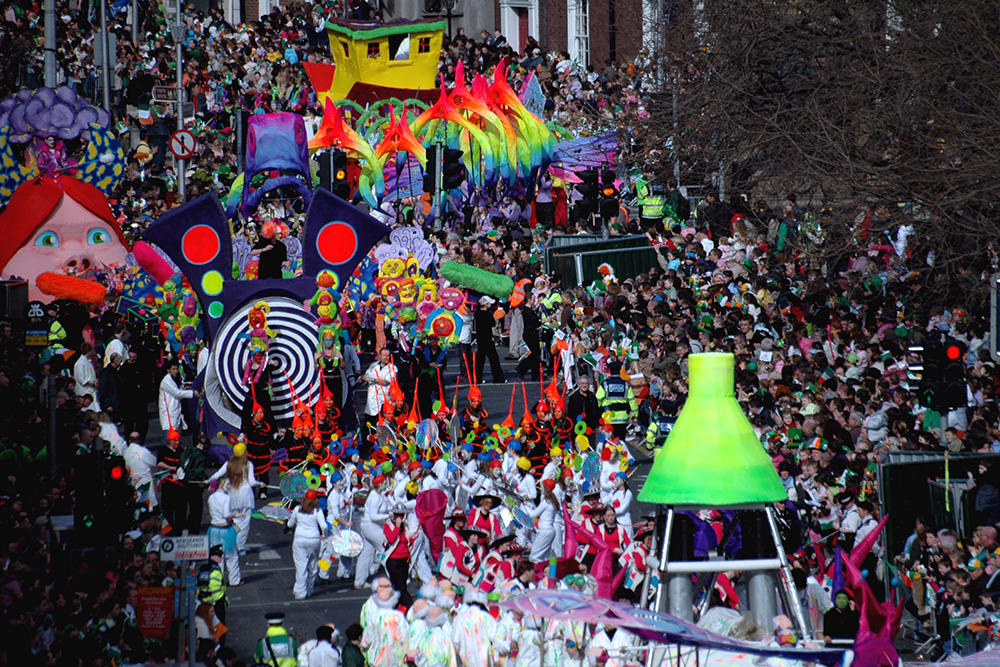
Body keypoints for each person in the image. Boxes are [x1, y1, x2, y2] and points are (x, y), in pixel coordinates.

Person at [208, 443, 258, 558]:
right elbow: (251, 482)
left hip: (233, 494)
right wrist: (260, 483)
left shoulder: (228, 463)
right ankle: (240, 547)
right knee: (244, 522)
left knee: (234, 520)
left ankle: (232, 544)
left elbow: (217, 475)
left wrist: (207, 481)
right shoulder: (248, 464)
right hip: (245, 496)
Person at [288, 489, 328, 600]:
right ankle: (309, 589)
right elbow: (324, 526)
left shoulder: (297, 509)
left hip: (300, 539)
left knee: (301, 566)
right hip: (314, 539)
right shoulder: (317, 511)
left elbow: (290, 524)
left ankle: (300, 592)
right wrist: (324, 535)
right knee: (313, 565)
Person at [356, 474, 390, 589]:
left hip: (366, 526)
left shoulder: (374, 494)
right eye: (385, 483)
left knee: (366, 553)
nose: (386, 485)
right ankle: (395, 578)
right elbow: (373, 516)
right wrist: (388, 515)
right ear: (380, 485)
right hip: (372, 527)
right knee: (386, 550)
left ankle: (359, 581)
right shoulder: (376, 497)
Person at [361, 349, 397, 456]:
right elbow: (365, 377)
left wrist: (372, 379)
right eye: (382, 355)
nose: (384, 357)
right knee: (368, 427)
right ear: (379, 355)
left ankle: (384, 451)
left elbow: (386, 381)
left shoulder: (393, 368)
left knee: (382, 428)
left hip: (384, 403)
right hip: (371, 402)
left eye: (387, 355)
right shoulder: (373, 366)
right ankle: (367, 449)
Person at [206, 481, 241, 586]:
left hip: (213, 529)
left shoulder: (211, 498)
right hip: (226, 530)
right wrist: (235, 515)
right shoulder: (226, 498)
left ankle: (217, 580)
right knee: (232, 556)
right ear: (222, 484)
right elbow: (226, 514)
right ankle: (234, 581)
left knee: (216, 556)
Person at [595, 360, 637, 440]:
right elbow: (632, 401)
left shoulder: (605, 384)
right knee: (620, 443)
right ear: (620, 371)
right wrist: (634, 415)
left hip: (608, 418)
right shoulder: (626, 385)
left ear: (610, 372)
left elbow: (598, 400)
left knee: (609, 444)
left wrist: (598, 415)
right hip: (622, 419)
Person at [383, 505, 414, 609]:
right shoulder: (388, 525)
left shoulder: (405, 526)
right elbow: (391, 539)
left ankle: (395, 607)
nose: (400, 517)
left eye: (402, 515)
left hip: (404, 559)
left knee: (401, 586)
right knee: (400, 587)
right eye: (398, 515)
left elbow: (407, 542)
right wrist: (397, 526)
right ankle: (410, 608)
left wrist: (413, 538)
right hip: (393, 560)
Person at [156, 426, 186, 532]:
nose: (177, 443)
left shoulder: (181, 451)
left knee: (180, 510)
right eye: (175, 441)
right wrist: (171, 468)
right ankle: (169, 529)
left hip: (180, 484)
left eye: (178, 440)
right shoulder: (163, 451)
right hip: (168, 483)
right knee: (168, 509)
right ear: (170, 441)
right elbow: (159, 463)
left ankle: (179, 529)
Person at [158, 359, 195, 443]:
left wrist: (184, 389)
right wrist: (192, 393)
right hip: (168, 413)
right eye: (173, 369)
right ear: (168, 370)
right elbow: (177, 393)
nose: (175, 371)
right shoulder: (166, 381)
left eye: (176, 369)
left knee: (175, 438)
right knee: (167, 438)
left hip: (175, 412)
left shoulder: (176, 379)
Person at [474, 296, 505, 383]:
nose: (490, 305)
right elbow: (492, 323)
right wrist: (491, 314)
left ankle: (477, 378)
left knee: (480, 360)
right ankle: (498, 378)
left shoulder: (477, 314)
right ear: (485, 304)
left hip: (480, 338)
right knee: (494, 358)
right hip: (487, 338)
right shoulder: (487, 314)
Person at [196, 545, 228, 627]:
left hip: (201, 602)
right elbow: (216, 590)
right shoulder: (215, 570)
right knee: (219, 629)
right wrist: (222, 601)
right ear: (212, 556)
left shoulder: (202, 568)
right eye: (219, 555)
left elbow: (197, 585)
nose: (221, 558)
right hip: (215, 604)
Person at [73, 341, 101, 411]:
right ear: (88, 351)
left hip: (91, 391)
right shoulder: (80, 363)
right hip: (84, 392)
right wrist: (93, 383)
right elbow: (81, 379)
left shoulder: (87, 362)